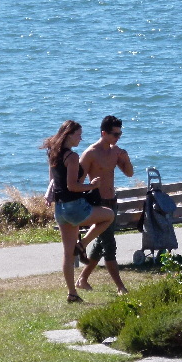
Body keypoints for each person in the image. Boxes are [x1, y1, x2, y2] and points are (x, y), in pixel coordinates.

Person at [40, 120, 114, 303]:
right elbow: (72, 186)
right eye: (79, 135)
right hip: (74, 207)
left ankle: (72, 293)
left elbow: (53, 180)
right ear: (69, 135)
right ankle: (83, 244)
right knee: (109, 215)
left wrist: (49, 195)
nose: (81, 138)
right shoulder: (71, 157)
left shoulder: (54, 153)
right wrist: (92, 185)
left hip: (61, 209)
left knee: (67, 254)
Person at [75, 115, 134, 295]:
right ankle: (120, 287)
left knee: (101, 244)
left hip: (112, 201)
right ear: (104, 133)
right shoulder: (90, 153)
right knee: (109, 244)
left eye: (120, 134)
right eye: (115, 134)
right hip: (98, 203)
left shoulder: (116, 152)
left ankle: (83, 279)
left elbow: (130, 174)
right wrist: (90, 188)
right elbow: (77, 182)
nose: (118, 137)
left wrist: (126, 158)